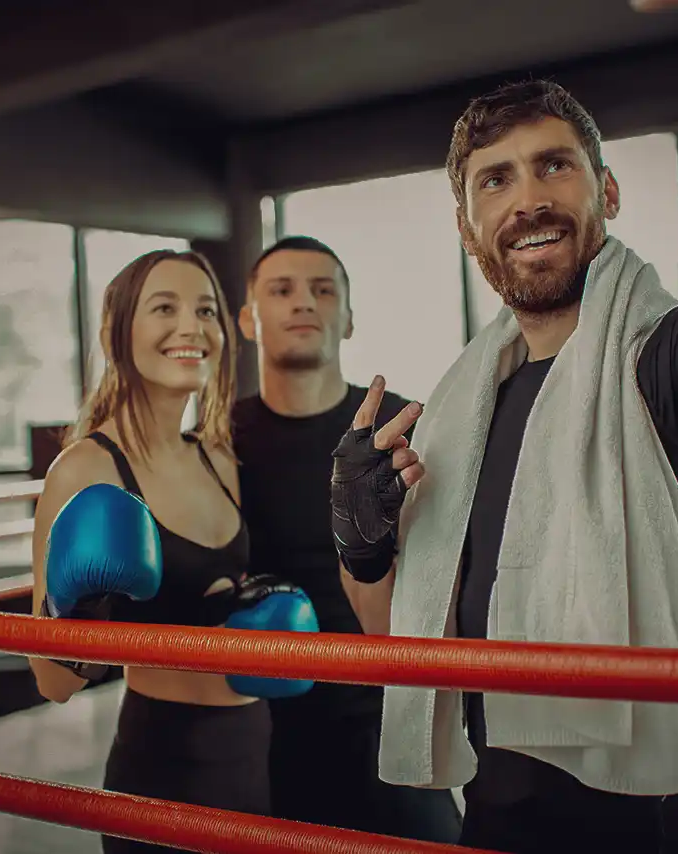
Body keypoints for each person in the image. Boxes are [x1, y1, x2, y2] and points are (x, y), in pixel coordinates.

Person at [329, 1, 678, 852]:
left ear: (606, 192)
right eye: (495, 179)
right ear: (467, 224)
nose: (529, 198)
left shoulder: (667, 364)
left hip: (658, 824)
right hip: (495, 820)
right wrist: (359, 544)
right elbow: (396, 640)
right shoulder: (458, 416)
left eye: (555, 166)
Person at [28, 248, 319, 854]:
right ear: (117, 331)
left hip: (247, 747)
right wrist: (77, 605)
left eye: (206, 310)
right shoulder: (85, 468)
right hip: (161, 759)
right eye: (166, 307)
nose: (192, 327)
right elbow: (51, 683)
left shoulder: (216, 457)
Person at [231, 236, 462, 841]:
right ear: (248, 319)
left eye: (322, 289)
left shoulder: (399, 429)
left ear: (350, 318)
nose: (303, 302)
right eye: (281, 290)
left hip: (384, 715)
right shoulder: (216, 441)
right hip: (255, 727)